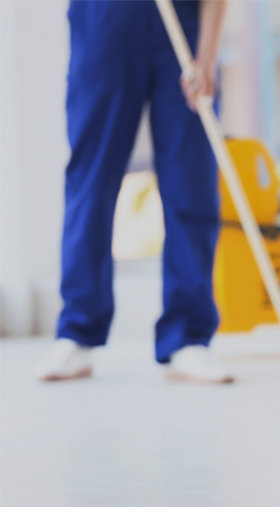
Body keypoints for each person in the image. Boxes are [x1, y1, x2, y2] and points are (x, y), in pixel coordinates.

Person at [36, 0, 233, 383]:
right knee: (92, 176)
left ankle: (188, 336)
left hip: (183, 23)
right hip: (105, 20)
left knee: (190, 177)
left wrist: (206, 56)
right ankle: (78, 329)